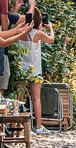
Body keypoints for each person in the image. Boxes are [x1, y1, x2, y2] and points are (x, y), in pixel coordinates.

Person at [17, 7, 54, 135]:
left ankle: (18, 126)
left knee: (20, 98)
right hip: (35, 70)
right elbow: (51, 39)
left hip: (22, 69)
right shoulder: (38, 34)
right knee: (36, 98)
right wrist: (50, 28)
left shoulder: (21, 32)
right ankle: (38, 126)